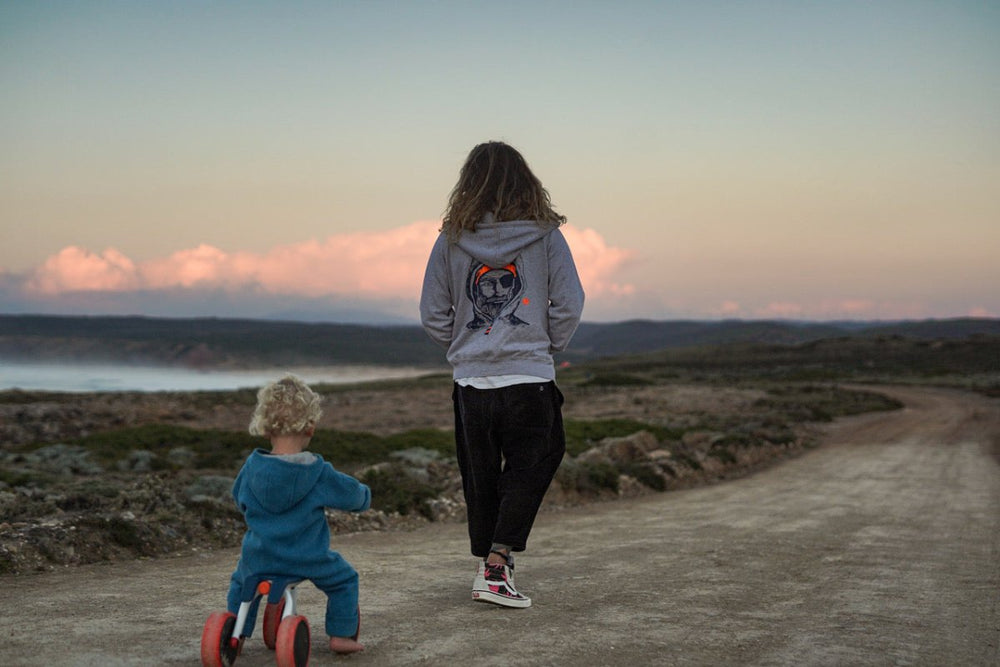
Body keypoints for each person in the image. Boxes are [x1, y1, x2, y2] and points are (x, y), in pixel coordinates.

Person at [420, 141, 585, 608]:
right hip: (529, 378)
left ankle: (492, 565)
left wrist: (467, 348)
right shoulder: (545, 236)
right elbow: (569, 303)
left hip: (472, 384)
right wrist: (543, 346)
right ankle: (496, 563)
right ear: (525, 182)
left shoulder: (451, 239)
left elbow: (433, 313)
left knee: (481, 475)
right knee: (537, 459)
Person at [226, 374, 369, 654]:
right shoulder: (317, 472)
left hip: (259, 556)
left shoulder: (251, 468)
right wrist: (364, 496)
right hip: (307, 558)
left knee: (241, 584)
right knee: (344, 580)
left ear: (265, 428)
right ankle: (341, 635)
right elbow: (353, 496)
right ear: (310, 428)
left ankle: (234, 632)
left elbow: (239, 499)